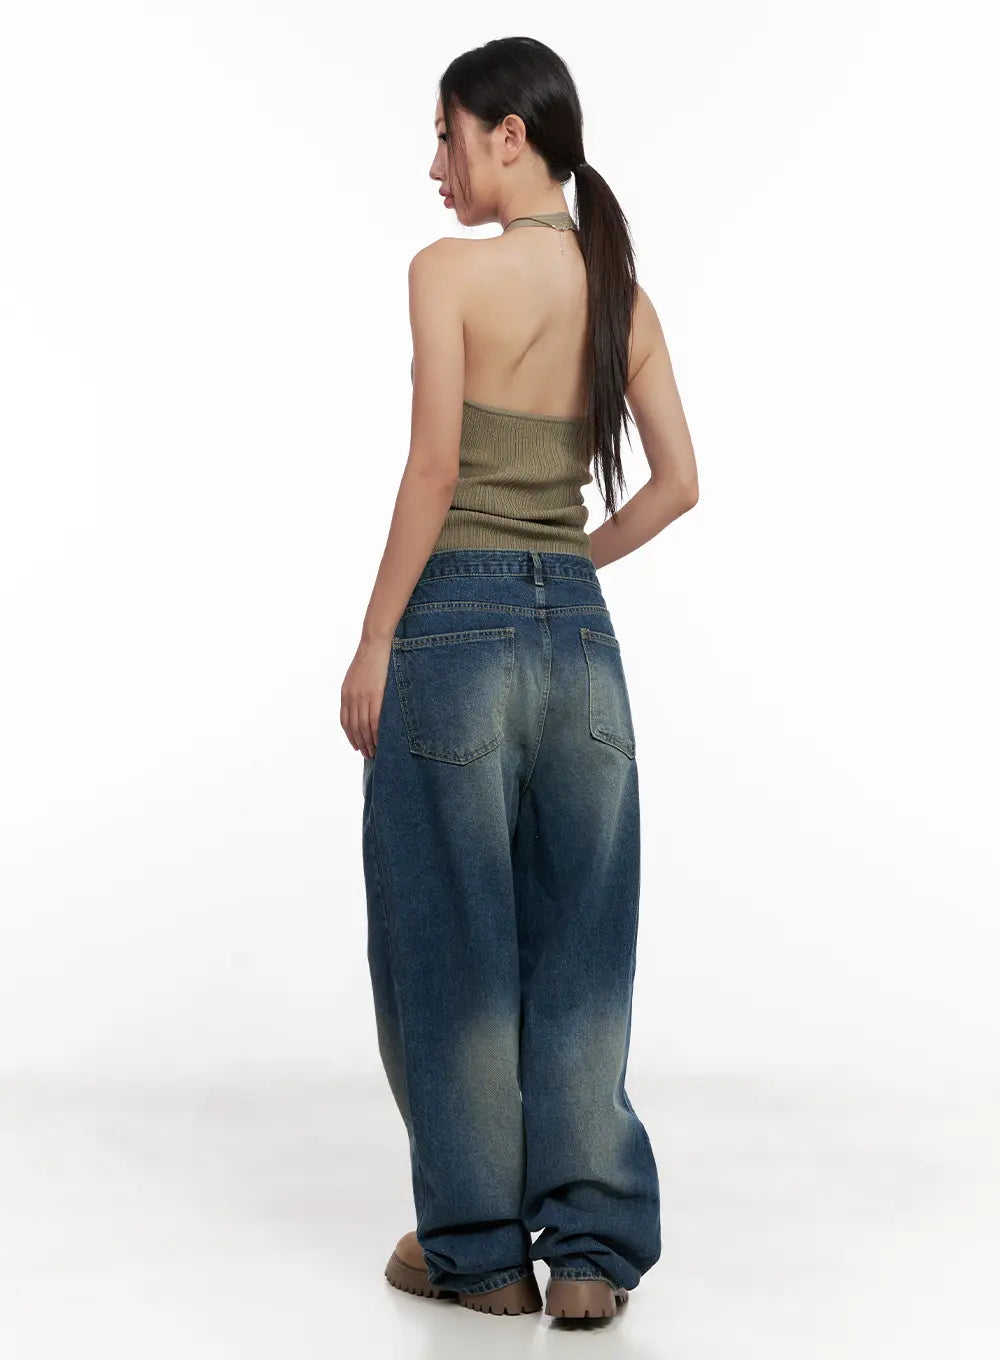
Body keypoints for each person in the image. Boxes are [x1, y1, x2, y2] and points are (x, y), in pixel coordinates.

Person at [341, 36, 699, 1322]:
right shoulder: (621, 296)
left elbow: (435, 469)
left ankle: (482, 1253)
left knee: (449, 946)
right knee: (582, 946)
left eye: (446, 135)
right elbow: (679, 483)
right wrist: (568, 560)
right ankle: (591, 1254)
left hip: (454, 636)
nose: (435, 166)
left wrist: (375, 637)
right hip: (582, 647)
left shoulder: (446, 273)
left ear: (510, 133)